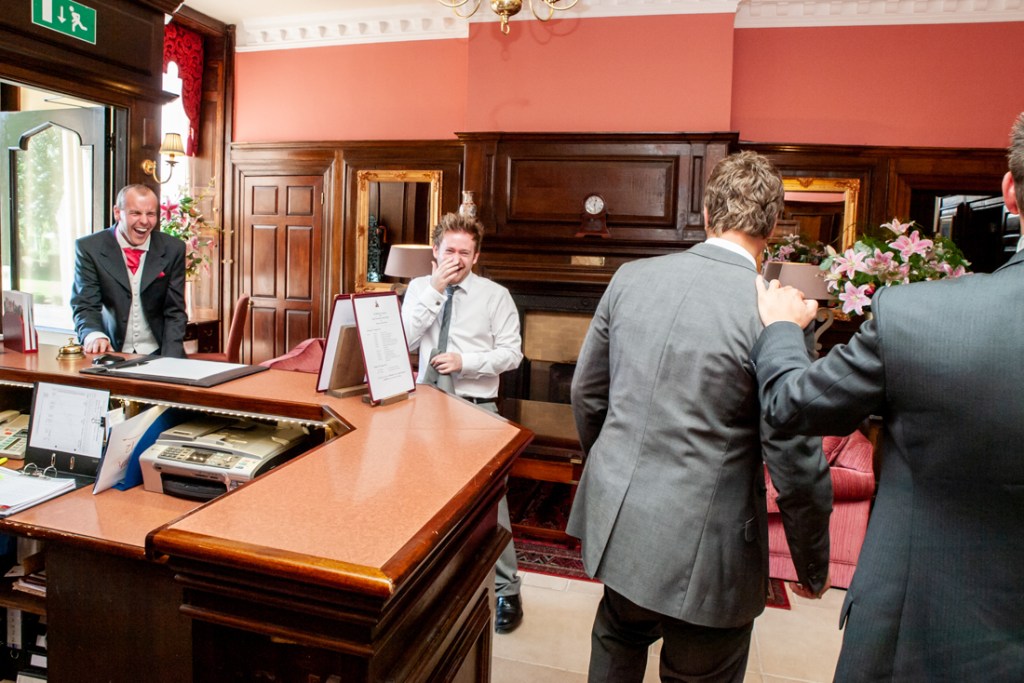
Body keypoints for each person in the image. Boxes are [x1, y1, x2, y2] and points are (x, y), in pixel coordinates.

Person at [751, 115, 1024, 682]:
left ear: (1011, 192)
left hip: (920, 633)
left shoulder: (923, 315)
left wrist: (781, 327)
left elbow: (790, 404)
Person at [567, 151, 832, 682]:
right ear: (773, 226)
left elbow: (587, 394)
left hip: (623, 525)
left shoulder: (631, 278)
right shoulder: (777, 314)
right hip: (709, 550)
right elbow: (794, 456)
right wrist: (812, 562)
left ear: (707, 216)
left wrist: (615, 471)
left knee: (617, 640)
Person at [400, 212, 526, 633]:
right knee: (422, 497)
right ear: (435, 252)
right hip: (424, 405)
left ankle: (507, 589)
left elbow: (512, 354)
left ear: (477, 256)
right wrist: (435, 290)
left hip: (476, 406)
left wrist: (465, 362)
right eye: (449, 250)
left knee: (491, 500)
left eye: (465, 252)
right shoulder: (419, 288)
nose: (457, 258)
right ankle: (431, 586)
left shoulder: (496, 296)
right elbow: (403, 340)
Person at [71, 183, 187, 358]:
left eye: (151, 214)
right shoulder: (89, 248)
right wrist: (94, 336)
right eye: (136, 213)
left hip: (159, 353)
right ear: (117, 213)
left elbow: (175, 312)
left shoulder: (173, 249)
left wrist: (170, 361)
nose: (144, 221)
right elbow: (85, 304)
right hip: (111, 353)